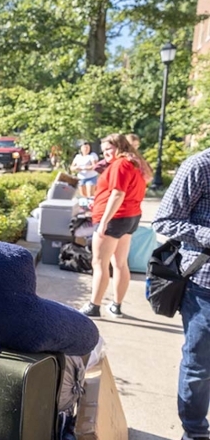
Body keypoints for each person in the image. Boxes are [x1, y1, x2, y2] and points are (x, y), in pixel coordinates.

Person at [152, 147, 210, 440]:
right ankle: (195, 432)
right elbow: (164, 221)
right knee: (200, 366)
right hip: (204, 287)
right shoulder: (200, 166)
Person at [80, 133, 147, 319]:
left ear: (120, 147)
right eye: (103, 151)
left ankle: (94, 306)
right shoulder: (135, 164)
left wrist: (104, 221)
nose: (106, 153)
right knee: (119, 263)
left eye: (109, 149)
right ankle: (116, 305)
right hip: (129, 217)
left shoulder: (120, 164)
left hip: (115, 218)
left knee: (100, 263)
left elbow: (118, 194)